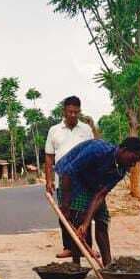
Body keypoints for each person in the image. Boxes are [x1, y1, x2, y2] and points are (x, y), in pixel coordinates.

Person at [55, 138, 140, 266]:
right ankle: (75, 267)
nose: (133, 164)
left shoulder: (120, 170)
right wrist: (65, 206)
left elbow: (100, 195)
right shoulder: (97, 150)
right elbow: (68, 173)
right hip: (72, 177)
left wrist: (87, 223)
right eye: (133, 159)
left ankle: (108, 266)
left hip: (93, 184)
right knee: (77, 218)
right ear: (124, 150)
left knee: (102, 221)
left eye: (136, 162)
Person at [45, 96, 100, 259]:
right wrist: (48, 179)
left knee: (84, 213)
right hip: (62, 179)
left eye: (77, 112)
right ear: (64, 111)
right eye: (70, 112)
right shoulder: (54, 130)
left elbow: (93, 152)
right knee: (65, 213)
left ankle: (87, 247)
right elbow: (49, 157)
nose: (73, 115)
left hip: (83, 179)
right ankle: (68, 247)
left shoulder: (86, 130)